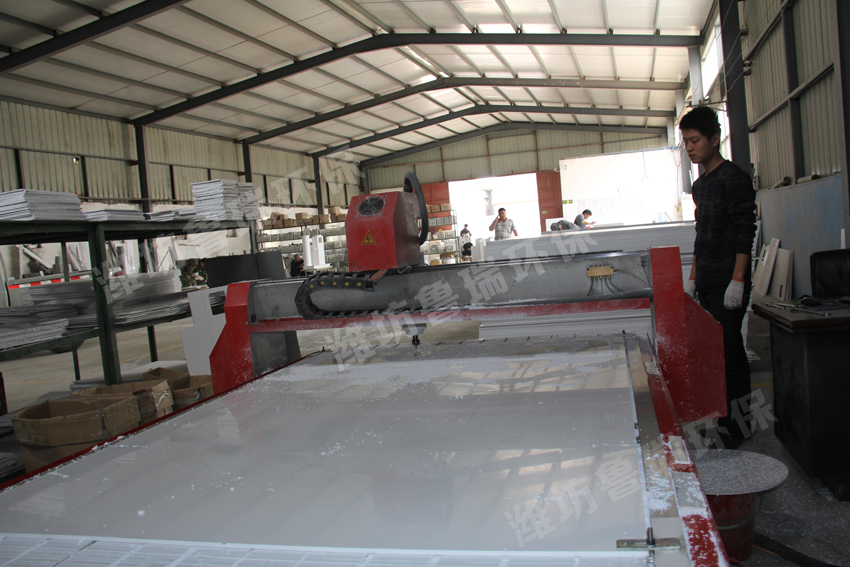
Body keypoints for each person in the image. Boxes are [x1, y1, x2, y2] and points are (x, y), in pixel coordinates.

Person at [680, 105, 757, 450]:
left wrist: (738, 281)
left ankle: (738, 428)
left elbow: (745, 232)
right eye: (686, 142)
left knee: (730, 354)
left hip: (729, 281)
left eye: (695, 140)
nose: (690, 147)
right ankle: (725, 422)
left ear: (715, 139)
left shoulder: (734, 178)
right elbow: (702, 234)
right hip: (708, 282)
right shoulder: (700, 186)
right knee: (716, 354)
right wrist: (692, 278)